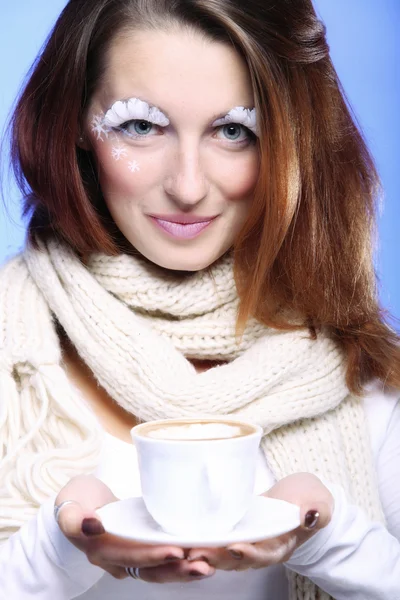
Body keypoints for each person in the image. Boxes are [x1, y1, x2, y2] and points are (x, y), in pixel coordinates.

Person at [0, 0, 399, 598]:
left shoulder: (358, 365)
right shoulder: (14, 343)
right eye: (140, 125)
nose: (187, 186)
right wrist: (60, 551)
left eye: (234, 131)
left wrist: (328, 536)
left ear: (289, 142)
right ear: (76, 123)